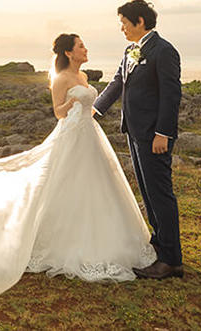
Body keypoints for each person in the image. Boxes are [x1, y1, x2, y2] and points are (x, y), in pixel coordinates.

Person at [20, 33, 156, 281]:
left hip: (91, 134)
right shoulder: (60, 78)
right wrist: (71, 102)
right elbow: (58, 113)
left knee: (100, 184)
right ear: (69, 53)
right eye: (81, 46)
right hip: (73, 136)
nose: (85, 49)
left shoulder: (82, 76)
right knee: (70, 184)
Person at [93, 0, 184, 279]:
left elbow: (171, 96)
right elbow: (118, 82)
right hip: (133, 132)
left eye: (124, 23)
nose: (121, 28)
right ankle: (159, 245)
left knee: (160, 194)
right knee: (147, 192)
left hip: (153, 135)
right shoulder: (131, 50)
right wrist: (94, 110)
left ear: (140, 21)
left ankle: (171, 260)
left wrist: (163, 133)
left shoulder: (164, 51)